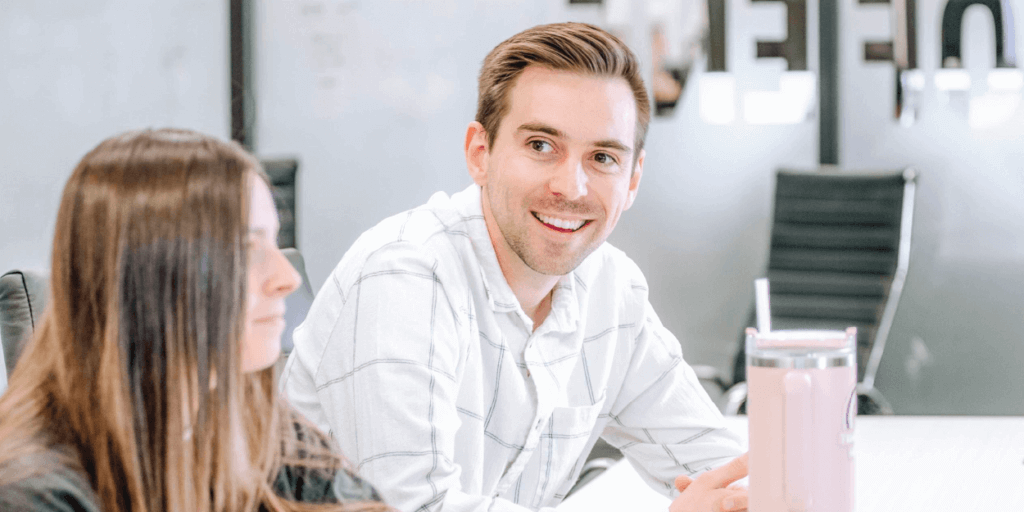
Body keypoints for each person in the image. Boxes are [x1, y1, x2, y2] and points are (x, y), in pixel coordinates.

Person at [281, 23, 748, 512]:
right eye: (541, 146)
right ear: (479, 154)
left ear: (632, 180)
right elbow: (415, 507)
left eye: (603, 157)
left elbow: (723, 470)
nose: (571, 187)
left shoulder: (610, 287)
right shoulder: (405, 276)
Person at [0, 129, 389, 512]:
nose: (288, 278)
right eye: (245, 249)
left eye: (274, 241)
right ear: (148, 278)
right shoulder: (30, 491)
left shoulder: (248, 417)